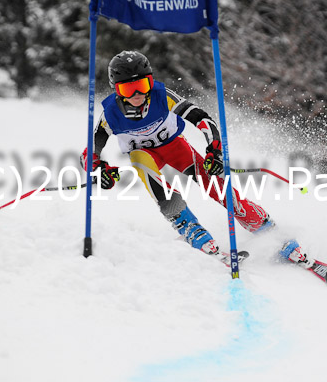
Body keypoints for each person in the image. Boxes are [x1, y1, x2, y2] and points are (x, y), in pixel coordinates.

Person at [80, 50, 314, 269]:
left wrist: (214, 150)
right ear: (116, 90)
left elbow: (202, 119)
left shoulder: (163, 97)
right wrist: (98, 169)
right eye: (128, 89)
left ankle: (266, 228)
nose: (137, 95)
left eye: (142, 85)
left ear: (150, 82)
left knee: (216, 185)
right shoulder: (110, 114)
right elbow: (90, 152)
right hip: (145, 156)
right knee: (140, 161)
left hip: (175, 147)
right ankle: (188, 225)